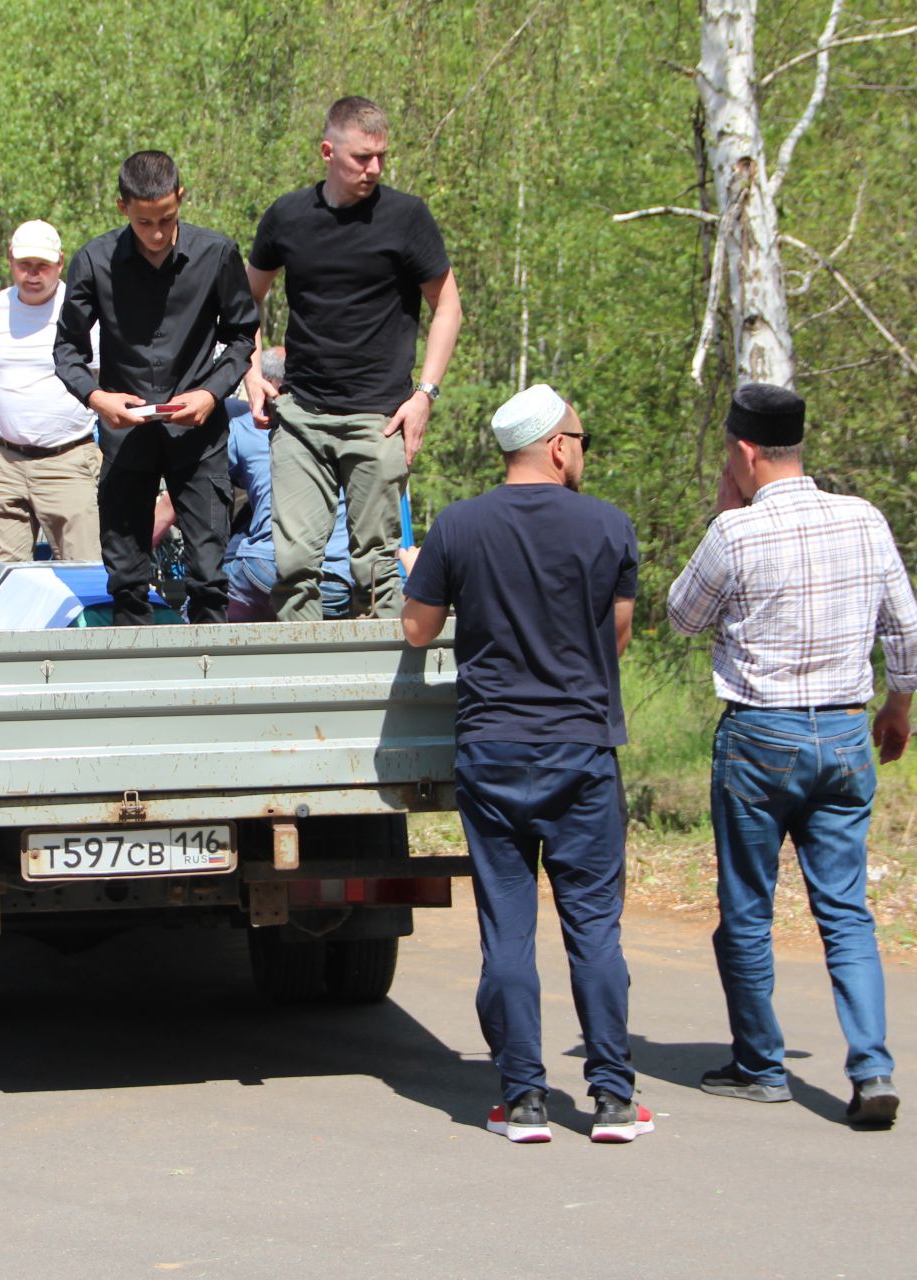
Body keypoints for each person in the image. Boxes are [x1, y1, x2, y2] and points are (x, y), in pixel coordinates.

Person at [666, 382, 917, 1130]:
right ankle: (872, 1068)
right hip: (846, 733)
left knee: (747, 908)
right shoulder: (864, 519)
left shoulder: (737, 532)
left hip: (761, 739)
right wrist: (897, 710)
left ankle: (759, 1065)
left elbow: (682, 617)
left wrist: (724, 512)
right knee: (846, 912)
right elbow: (906, 634)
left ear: (745, 452)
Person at [402, 384, 651, 1145]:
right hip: (581, 749)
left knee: (507, 933)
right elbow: (618, 637)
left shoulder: (460, 525)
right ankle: (611, 1100)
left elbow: (416, 632)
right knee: (595, 932)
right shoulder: (609, 526)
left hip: (493, 749)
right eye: (580, 437)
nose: (583, 450)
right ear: (556, 445)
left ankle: (524, 1102)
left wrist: (430, 575)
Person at [246, 96, 463, 622]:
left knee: (375, 569)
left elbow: (449, 307)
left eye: (382, 157)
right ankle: (303, 694)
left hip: (380, 418)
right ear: (327, 151)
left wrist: (424, 397)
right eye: (362, 157)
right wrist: (251, 369)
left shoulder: (407, 217)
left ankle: (380, 693)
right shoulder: (287, 216)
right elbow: (243, 299)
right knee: (294, 565)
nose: (375, 169)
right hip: (301, 416)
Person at [53, 150, 258, 624]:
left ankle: (208, 685)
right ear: (123, 208)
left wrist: (211, 393)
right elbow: (67, 349)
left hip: (199, 433)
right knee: (125, 579)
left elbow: (242, 335)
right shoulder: (94, 260)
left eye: (167, 219)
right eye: (145, 223)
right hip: (126, 436)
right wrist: (97, 398)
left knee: (209, 575)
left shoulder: (217, 254)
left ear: (181, 198)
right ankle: (136, 686)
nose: (159, 234)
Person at [0, 219, 102, 563]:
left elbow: (106, 377)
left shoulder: (84, 309)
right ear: (10, 260)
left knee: (83, 568)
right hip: (5, 461)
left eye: (42, 266)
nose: (33, 275)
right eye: (24, 265)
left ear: (60, 263)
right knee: (8, 573)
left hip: (68, 459)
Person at [220, 349, 353, 621]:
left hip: (267, 570)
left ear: (266, 384)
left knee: (204, 604)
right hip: (339, 582)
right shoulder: (348, 424)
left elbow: (187, 495)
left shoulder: (248, 426)